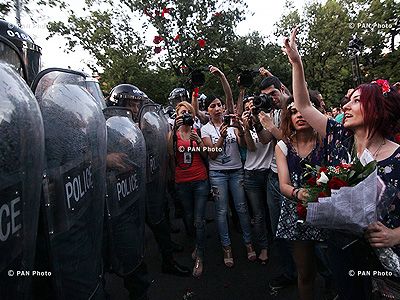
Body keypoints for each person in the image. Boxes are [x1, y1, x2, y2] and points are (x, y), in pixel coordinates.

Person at [282, 26, 400, 299]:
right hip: (341, 247)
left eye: (356, 100)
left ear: (377, 108)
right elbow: (303, 104)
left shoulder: (397, 157)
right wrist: (296, 63)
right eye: (347, 100)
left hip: (386, 257)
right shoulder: (338, 136)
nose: (346, 105)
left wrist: (395, 235)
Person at [201, 65, 254, 267]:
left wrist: (238, 131)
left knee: (241, 208)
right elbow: (212, 155)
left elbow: (242, 144)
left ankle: (249, 244)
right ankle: (227, 247)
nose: (217, 108)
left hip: (236, 171)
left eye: (219, 105)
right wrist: (221, 137)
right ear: (207, 110)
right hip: (218, 174)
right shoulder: (205, 129)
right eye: (212, 106)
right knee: (222, 212)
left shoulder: (232, 121)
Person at [275, 95, 326, 300]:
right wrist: (299, 193)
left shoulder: (326, 141)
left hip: (327, 210)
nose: (299, 115)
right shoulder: (283, 146)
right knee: (305, 273)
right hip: (297, 214)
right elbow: (283, 184)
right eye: (293, 112)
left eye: (302, 109)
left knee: (339, 269)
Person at [168, 101, 209, 277]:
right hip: (182, 181)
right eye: (181, 113)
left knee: (199, 219)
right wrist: (173, 133)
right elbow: (170, 153)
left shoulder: (197, 132)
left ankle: (200, 254)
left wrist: (199, 142)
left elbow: (207, 154)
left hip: (200, 179)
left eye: (188, 113)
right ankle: (197, 244)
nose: (185, 115)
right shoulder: (173, 134)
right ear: (176, 116)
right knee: (189, 216)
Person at [241, 98, 275, 264]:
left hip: (268, 172)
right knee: (259, 215)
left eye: (253, 105)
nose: (250, 108)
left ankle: (278, 243)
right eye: (247, 106)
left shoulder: (268, 120)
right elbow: (251, 147)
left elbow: (265, 139)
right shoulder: (244, 122)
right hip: (251, 175)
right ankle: (264, 247)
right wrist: (246, 128)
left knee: (271, 211)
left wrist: (257, 123)